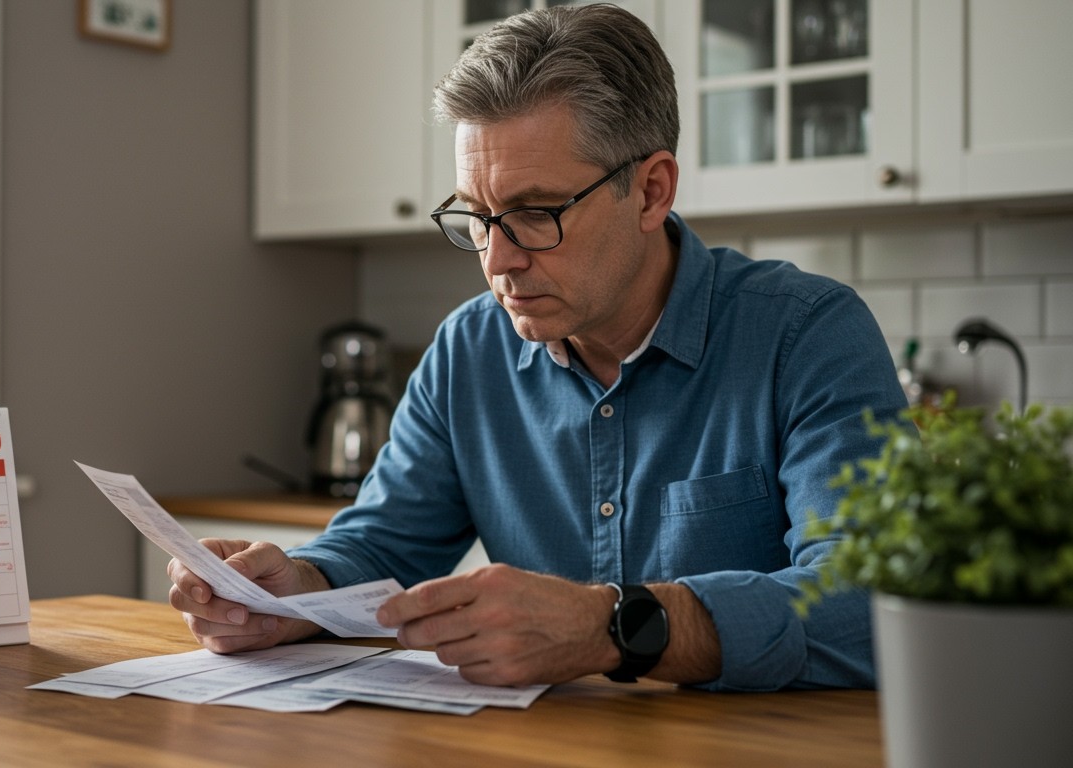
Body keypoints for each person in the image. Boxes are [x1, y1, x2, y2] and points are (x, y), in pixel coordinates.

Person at [168, 4, 907, 692]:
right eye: (478, 217)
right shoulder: (468, 351)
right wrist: (292, 592)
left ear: (651, 191)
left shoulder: (807, 335)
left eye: (534, 214)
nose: (497, 261)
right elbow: (382, 546)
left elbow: (872, 603)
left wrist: (612, 627)